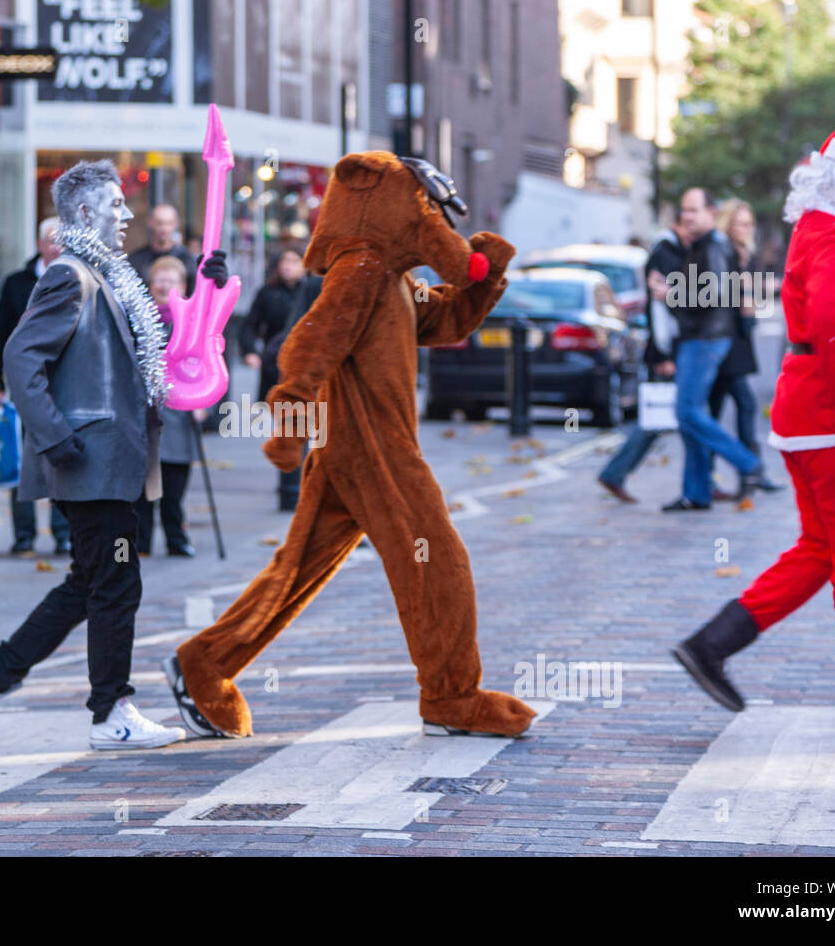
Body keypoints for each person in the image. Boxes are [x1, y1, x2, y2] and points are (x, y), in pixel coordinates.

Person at [162, 152, 535, 741]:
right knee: (438, 561)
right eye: (420, 208)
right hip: (375, 452)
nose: (429, 221)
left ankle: (205, 663)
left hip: (353, 453)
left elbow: (442, 322)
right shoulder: (361, 267)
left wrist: (487, 273)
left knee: (297, 569)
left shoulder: (391, 276)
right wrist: (287, 424)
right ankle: (451, 695)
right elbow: (308, 347)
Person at [0, 160, 229, 750]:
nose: (127, 215)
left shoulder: (110, 275)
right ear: (85, 214)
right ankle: (111, 712)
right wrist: (56, 436)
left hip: (112, 458)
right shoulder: (70, 276)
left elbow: (159, 347)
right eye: (116, 205)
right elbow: (20, 358)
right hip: (91, 460)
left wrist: (207, 282)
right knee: (116, 583)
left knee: (91, 582)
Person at [673, 109, 835, 735]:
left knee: (822, 549)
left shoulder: (828, 226)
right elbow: (834, 320)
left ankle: (713, 644)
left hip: (813, 409)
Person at [661, 188, 763, 511]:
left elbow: (716, 293)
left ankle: (747, 462)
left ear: (710, 212)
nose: (687, 217)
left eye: (693, 210)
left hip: (705, 339)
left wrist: (670, 293)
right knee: (692, 417)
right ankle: (697, 492)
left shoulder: (714, 245)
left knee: (686, 412)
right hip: (702, 337)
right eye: (684, 211)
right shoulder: (704, 245)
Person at [0, 217, 70, 554]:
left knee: (61, 456)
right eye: (51, 241)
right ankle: (23, 535)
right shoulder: (15, 284)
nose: (56, 247)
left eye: (62, 242)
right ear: (40, 244)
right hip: (23, 385)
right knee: (22, 460)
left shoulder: (77, 281)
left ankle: (63, 532)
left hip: (65, 384)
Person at [598, 215, 686, 502]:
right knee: (659, 418)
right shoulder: (665, 253)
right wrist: (663, 353)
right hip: (665, 352)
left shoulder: (671, 251)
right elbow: (658, 312)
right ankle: (614, 472)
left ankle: (702, 480)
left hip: (670, 350)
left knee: (671, 417)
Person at [708, 199, 782, 497]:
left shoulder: (745, 255)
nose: (747, 229)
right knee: (740, 405)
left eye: (750, 224)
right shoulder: (721, 253)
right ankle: (750, 470)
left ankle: (744, 473)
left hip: (739, 339)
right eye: (741, 223)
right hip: (724, 340)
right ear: (728, 224)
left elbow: (750, 298)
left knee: (717, 409)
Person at [239, 246, 321, 510]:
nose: (288, 266)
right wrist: (251, 352)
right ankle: (289, 488)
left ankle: (296, 487)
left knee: (303, 428)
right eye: (284, 260)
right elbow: (249, 326)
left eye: (294, 260)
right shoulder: (267, 293)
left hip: (307, 368)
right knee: (288, 427)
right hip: (276, 368)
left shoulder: (312, 289)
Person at [135, 256, 201, 558]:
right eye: (159, 280)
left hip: (179, 412)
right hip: (144, 413)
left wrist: (204, 403)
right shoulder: (137, 319)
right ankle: (141, 540)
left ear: (183, 287)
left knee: (174, 486)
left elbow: (207, 363)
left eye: (170, 280)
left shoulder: (192, 323)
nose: (164, 286)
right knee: (144, 483)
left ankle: (176, 537)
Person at [128, 204, 197, 296]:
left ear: (175, 224)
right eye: (159, 223)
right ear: (150, 222)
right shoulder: (136, 260)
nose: (164, 229)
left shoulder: (188, 260)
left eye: (168, 223)